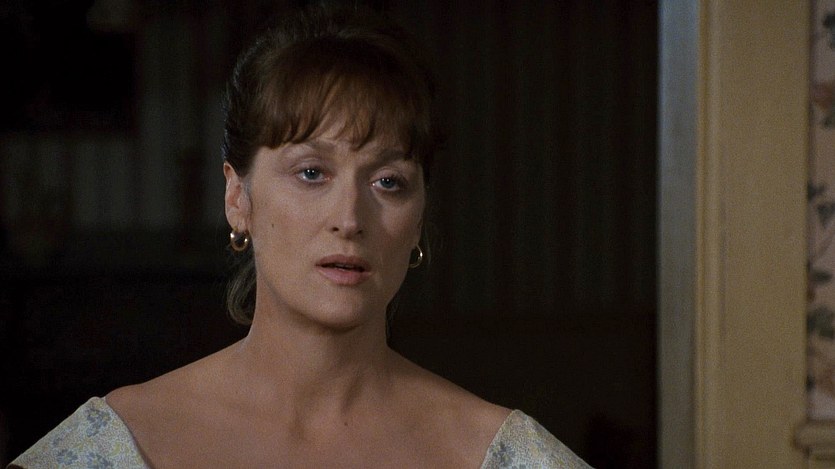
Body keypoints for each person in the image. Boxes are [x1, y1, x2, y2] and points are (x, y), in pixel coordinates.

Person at [9, 6, 590, 468]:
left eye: (388, 181)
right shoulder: (119, 444)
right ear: (238, 197)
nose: (350, 217)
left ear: (418, 217)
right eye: (312, 173)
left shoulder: (501, 454)